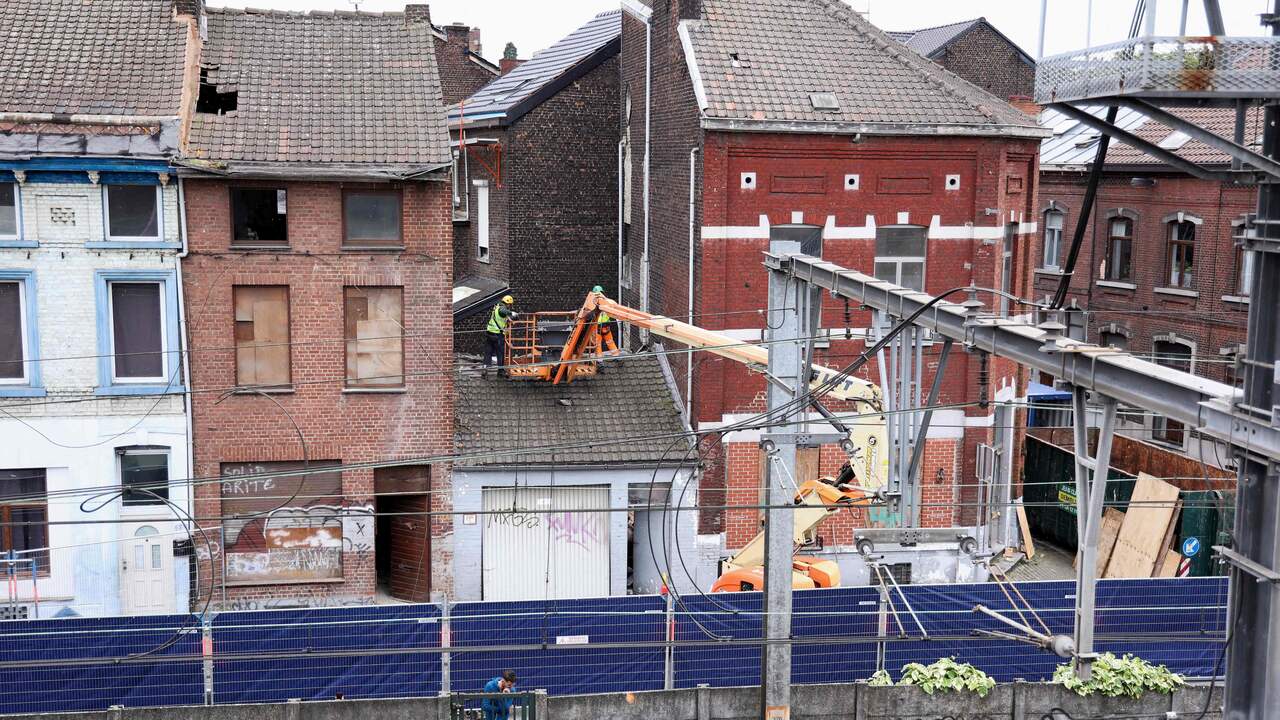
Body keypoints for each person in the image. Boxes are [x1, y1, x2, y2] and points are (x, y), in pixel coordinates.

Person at [484, 295, 516, 377]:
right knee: (500, 353)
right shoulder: (502, 309)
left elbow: (500, 316)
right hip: (497, 334)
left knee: (488, 352)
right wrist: (511, 313)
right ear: (508, 304)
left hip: (489, 332)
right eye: (510, 304)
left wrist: (508, 318)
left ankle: (485, 369)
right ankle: (500, 371)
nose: (510, 306)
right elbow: (503, 312)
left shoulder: (497, 307)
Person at [591, 285, 620, 357]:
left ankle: (599, 360)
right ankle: (616, 356)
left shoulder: (593, 303)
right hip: (606, 326)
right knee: (610, 342)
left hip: (598, 327)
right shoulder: (607, 302)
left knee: (598, 344)